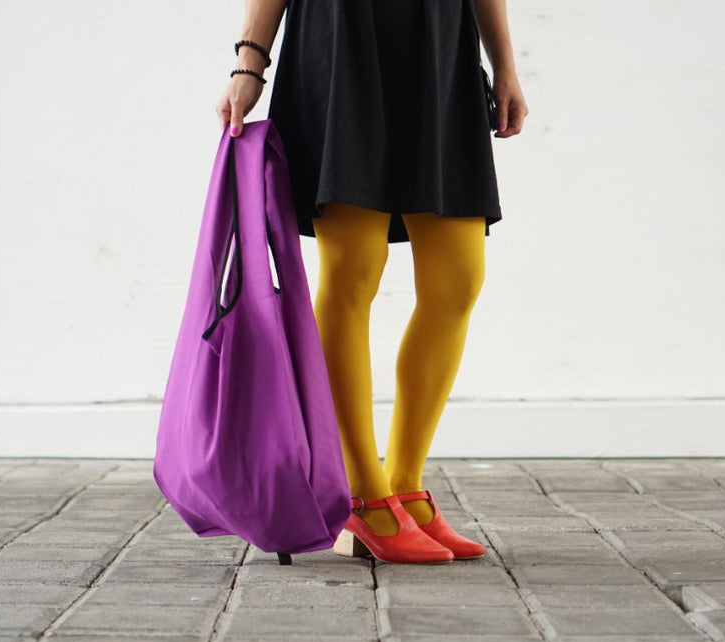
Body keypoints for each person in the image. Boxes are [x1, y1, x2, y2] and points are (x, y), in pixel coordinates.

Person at [216, 0, 528, 564]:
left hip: (441, 48)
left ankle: (404, 486)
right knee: (352, 274)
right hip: (342, 42)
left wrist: (504, 64)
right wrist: (249, 62)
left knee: (458, 280)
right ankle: (363, 495)